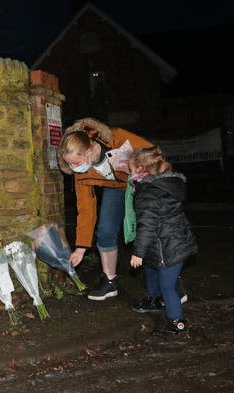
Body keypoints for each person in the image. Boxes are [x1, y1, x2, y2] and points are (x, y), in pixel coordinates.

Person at [57, 117, 153, 301]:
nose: (73, 168)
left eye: (76, 162)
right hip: (116, 188)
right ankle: (110, 282)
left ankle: (170, 280)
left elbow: (154, 154)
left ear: (90, 149)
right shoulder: (80, 174)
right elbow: (85, 209)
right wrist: (81, 248)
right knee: (105, 231)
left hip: (143, 183)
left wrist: (139, 173)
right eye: (69, 164)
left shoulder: (116, 139)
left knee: (150, 229)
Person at [128, 147, 197, 333]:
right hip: (174, 241)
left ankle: (177, 322)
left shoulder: (148, 193)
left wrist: (138, 252)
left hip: (167, 248)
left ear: (141, 169)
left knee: (168, 287)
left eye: (130, 169)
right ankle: (153, 299)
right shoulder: (165, 184)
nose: (129, 173)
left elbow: (147, 225)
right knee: (151, 267)